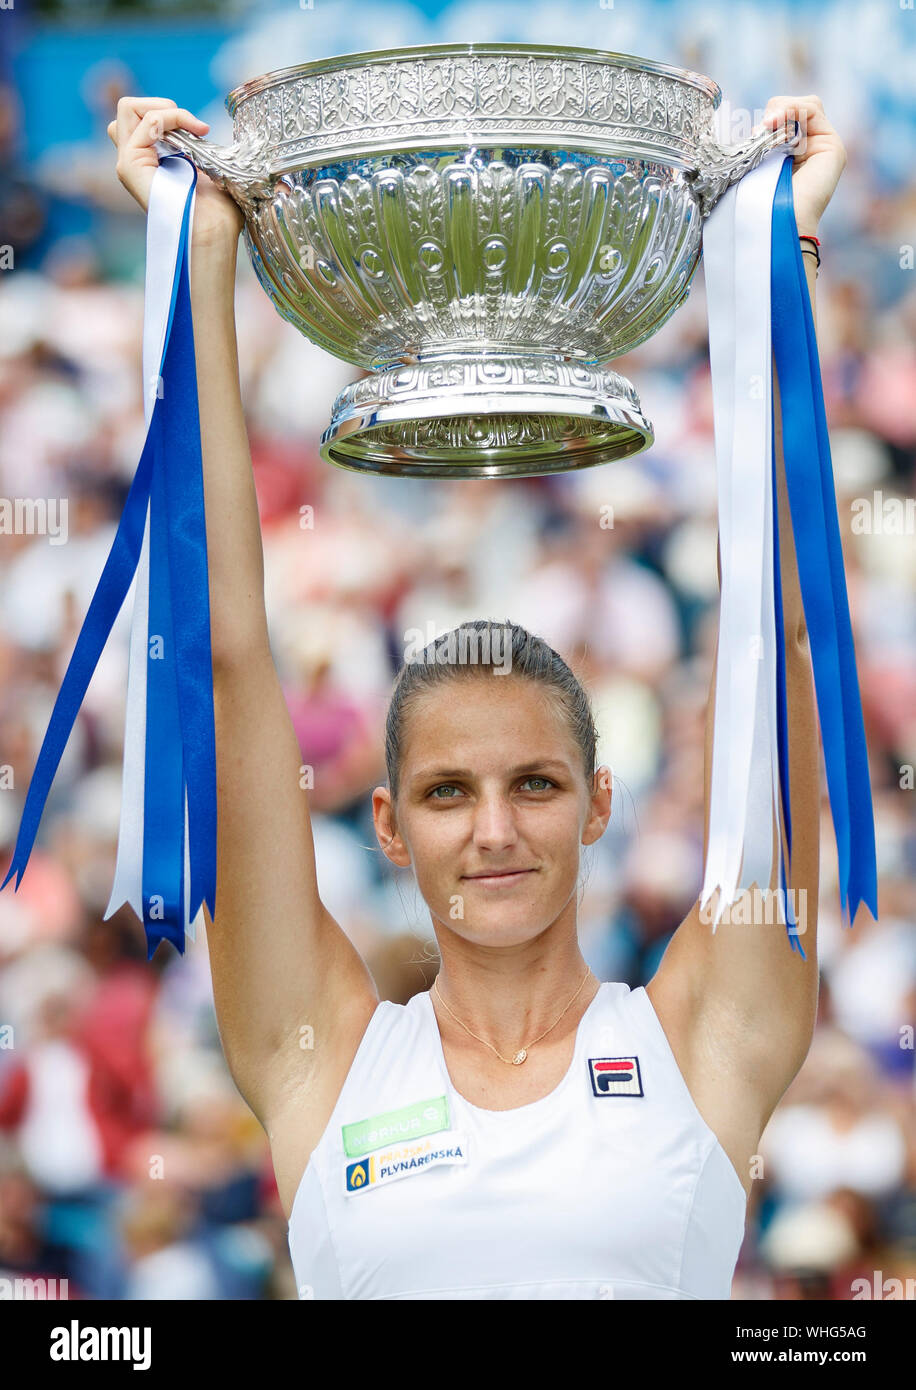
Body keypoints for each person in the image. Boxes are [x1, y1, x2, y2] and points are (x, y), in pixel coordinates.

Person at [107, 92, 846, 1300]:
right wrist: (193, 258)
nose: (494, 829)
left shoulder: (703, 1037)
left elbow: (782, 636)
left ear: (598, 801)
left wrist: (778, 258)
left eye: (535, 783)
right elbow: (224, 653)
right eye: (447, 791)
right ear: (388, 822)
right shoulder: (323, 1057)